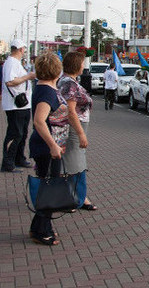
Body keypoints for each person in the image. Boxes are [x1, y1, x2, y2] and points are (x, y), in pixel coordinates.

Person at [28, 51, 68, 246]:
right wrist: (53, 145)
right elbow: (39, 121)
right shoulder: (46, 92)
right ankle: (41, 230)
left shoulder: (45, 88)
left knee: (48, 188)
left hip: (49, 147)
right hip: (47, 148)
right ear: (56, 70)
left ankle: (40, 227)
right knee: (49, 190)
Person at [58, 52, 97, 211]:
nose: (84, 66)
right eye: (82, 63)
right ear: (76, 65)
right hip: (74, 128)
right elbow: (71, 111)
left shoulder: (70, 81)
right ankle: (69, 198)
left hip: (77, 126)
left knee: (77, 161)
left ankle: (80, 197)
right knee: (72, 162)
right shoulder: (69, 83)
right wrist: (81, 133)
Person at [1, 39, 35, 172]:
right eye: (24, 49)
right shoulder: (11, 63)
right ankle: (8, 162)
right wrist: (28, 77)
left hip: (23, 105)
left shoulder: (15, 63)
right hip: (15, 105)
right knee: (15, 134)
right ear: (21, 49)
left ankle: (19, 158)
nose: (24, 52)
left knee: (23, 133)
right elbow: (10, 82)